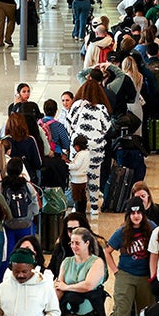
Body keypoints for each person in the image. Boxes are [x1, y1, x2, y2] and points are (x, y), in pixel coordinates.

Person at [101, 198, 155, 316]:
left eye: (139, 212)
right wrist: (115, 271)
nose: (136, 216)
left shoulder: (151, 227)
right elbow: (107, 251)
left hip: (146, 276)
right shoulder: (122, 232)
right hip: (125, 275)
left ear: (143, 214)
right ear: (128, 215)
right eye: (132, 213)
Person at [66, 80, 112, 217]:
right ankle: (94, 207)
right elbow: (106, 127)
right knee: (94, 176)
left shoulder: (76, 106)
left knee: (76, 177)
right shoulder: (102, 108)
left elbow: (69, 125)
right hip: (96, 147)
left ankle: (77, 205)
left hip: (78, 147)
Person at [53, 226, 107, 316]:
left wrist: (67, 287)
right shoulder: (66, 262)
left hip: (88, 313)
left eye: (77, 243)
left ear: (87, 243)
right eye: (72, 243)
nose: (73, 246)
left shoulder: (97, 262)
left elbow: (88, 285)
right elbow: (59, 287)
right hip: (68, 314)